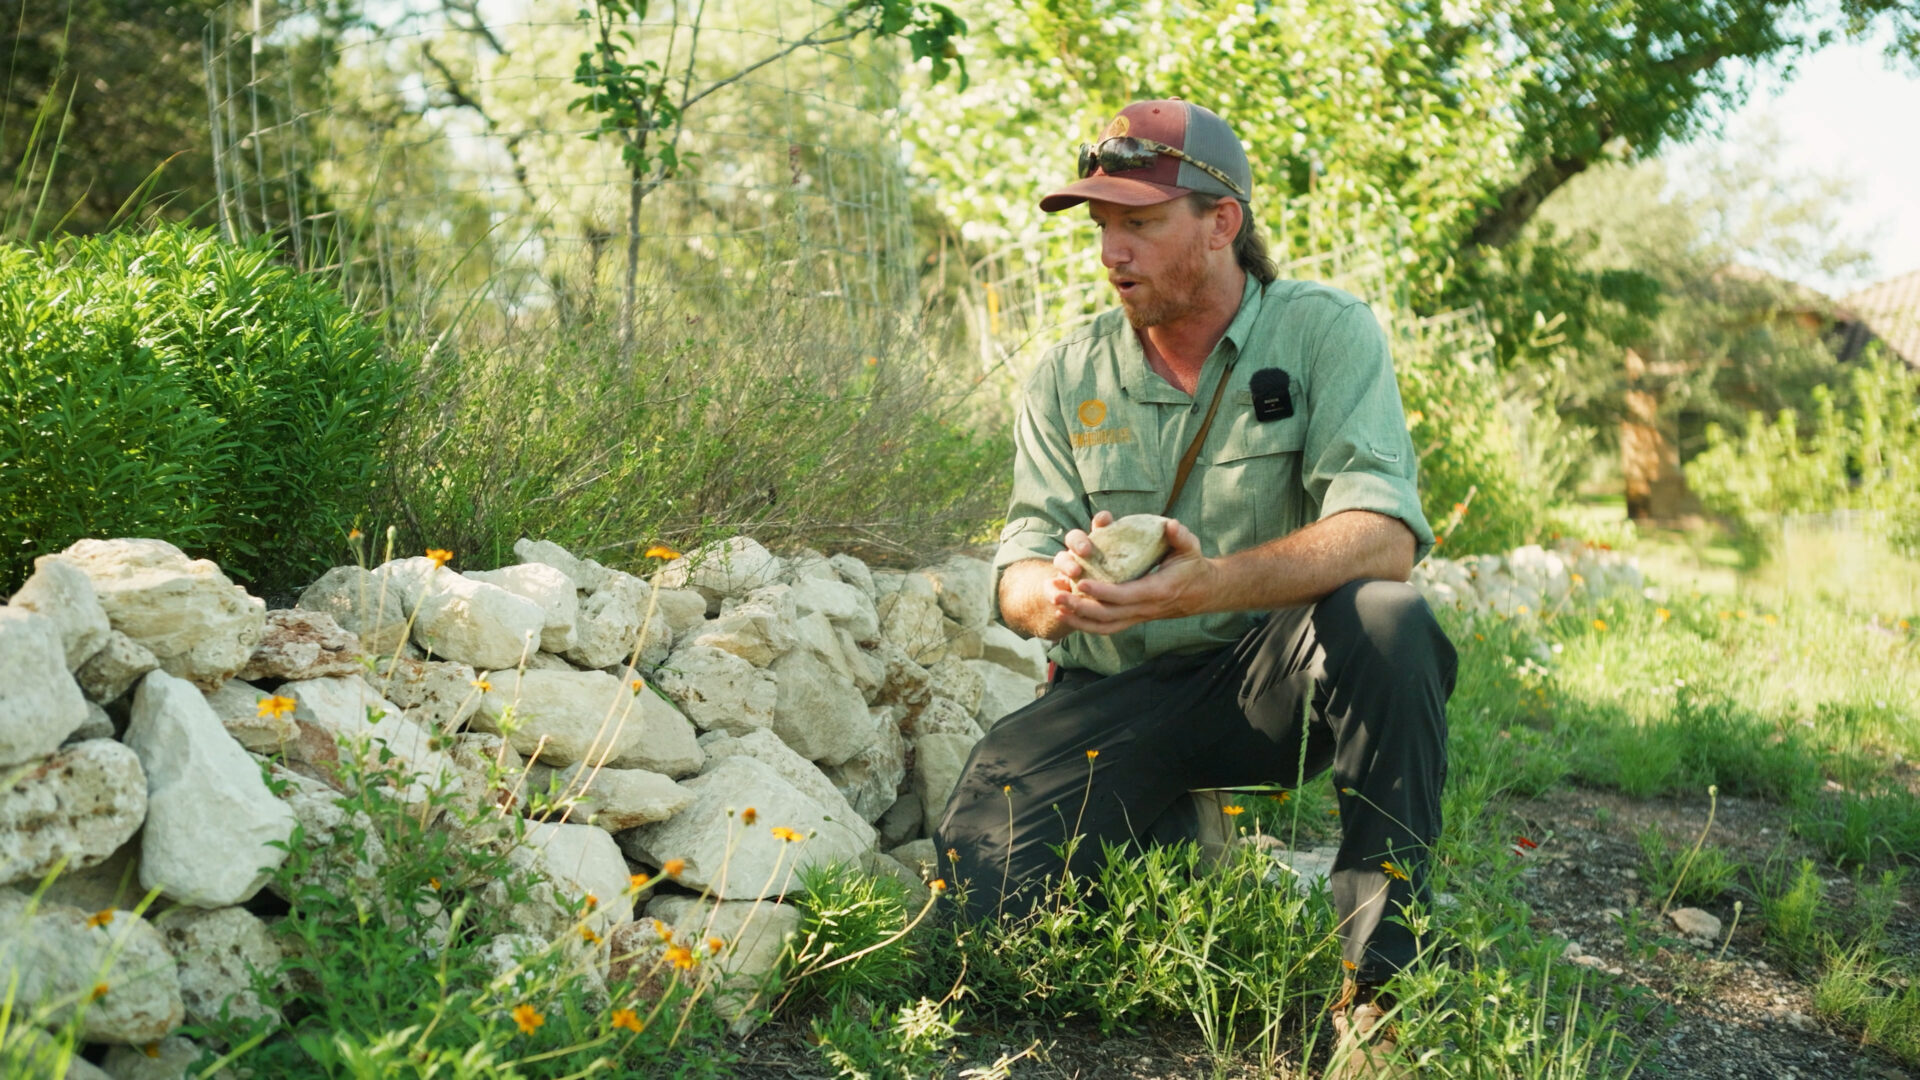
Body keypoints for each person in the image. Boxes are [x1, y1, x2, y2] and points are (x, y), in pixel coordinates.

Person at [930, 99, 1457, 1077]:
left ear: (1222, 222)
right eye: (1100, 226)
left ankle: (1379, 984)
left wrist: (1200, 584)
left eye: (1140, 223)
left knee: (1391, 620)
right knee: (978, 924)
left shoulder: (1323, 332)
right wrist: (1055, 596)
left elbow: (1384, 535)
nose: (1110, 252)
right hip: (1109, 692)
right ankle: (1174, 827)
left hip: (1268, 686)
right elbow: (1018, 571)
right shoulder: (1063, 374)